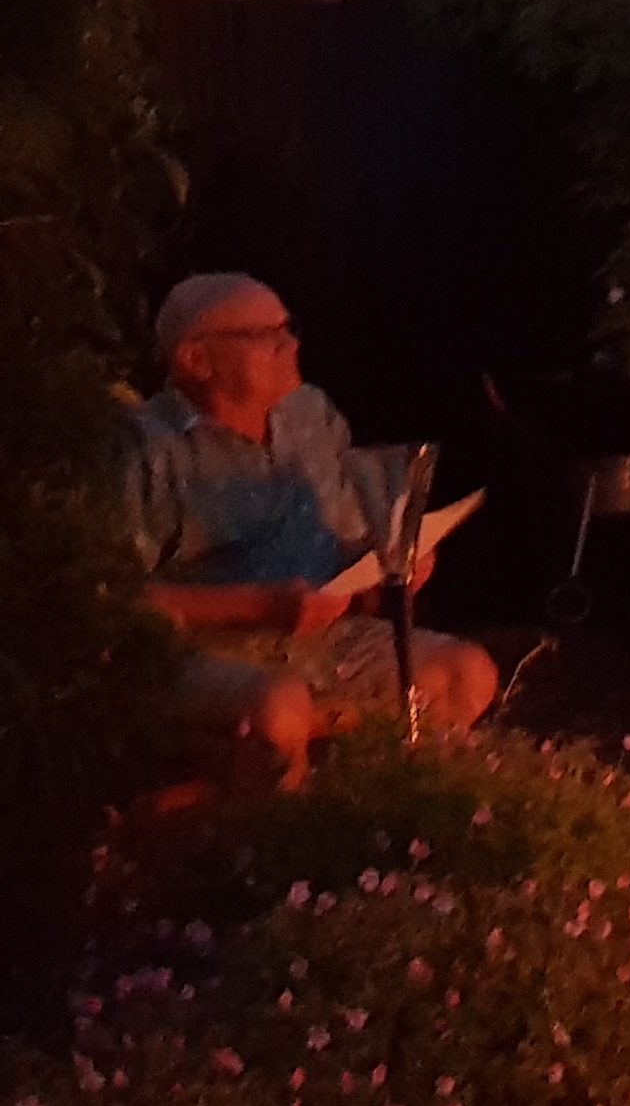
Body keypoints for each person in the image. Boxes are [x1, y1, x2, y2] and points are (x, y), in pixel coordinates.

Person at [126, 272, 499, 789]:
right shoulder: (146, 452)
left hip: (321, 640)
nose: (291, 345)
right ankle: (275, 832)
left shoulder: (308, 416)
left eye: (289, 329)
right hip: (203, 650)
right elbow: (113, 601)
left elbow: (346, 540)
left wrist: (388, 568)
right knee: (281, 705)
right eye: (266, 335)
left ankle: (381, 813)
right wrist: (258, 605)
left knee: (466, 672)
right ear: (197, 360)